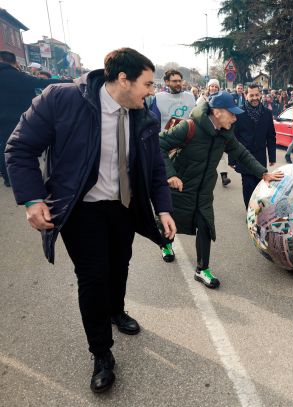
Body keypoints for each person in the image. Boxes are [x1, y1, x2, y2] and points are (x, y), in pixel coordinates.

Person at [5, 48, 177, 393]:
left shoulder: (144, 114)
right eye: (147, 83)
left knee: (120, 264)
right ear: (123, 79)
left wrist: (163, 207)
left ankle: (116, 310)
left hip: (124, 207)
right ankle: (101, 353)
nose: (151, 91)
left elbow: (155, 167)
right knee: (93, 277)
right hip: (80, 210)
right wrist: (33, 199)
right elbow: (20, 147)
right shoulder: (63, 99)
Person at [159, 91, 283, 288]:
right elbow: (158, 145)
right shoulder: (188, 127)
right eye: (231, 114)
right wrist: (170, 174)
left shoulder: (225, 134)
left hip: (205, 189)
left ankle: (202, 269)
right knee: (172, 219)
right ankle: (166, 244)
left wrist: (263, 173)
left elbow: (242, 153)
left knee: (205, 224)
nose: (235, 118)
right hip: (181, 185)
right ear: (217, 112)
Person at [0, 51, 71, 187]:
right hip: (18, 117)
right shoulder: (15, 76)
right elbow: (41, 82)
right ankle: (14, 177)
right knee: (19, 146)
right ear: (12, 61)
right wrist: (70, 81)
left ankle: (6, 176)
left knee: (3, 145)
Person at [232, 84, 277, 207]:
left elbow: (271, 136)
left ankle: (258, 211)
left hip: (260, 156)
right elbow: (233, 138)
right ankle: (249, 212)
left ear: (261, 95)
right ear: (246, 96)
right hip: (243, 157)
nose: (254, 98)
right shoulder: (239, 113)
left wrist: (272, 156)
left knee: (260, 186)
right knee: (248, 187)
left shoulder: (267, 113)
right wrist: (232, 159)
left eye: (257, 95)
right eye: (251, 95)